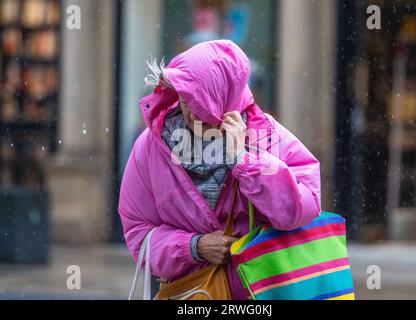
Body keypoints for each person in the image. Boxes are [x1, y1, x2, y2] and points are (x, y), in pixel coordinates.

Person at [118, 40, 321, 300]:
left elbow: (302, 209)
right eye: (183, 99)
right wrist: (193, 247)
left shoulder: (267, 138)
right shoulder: (151, 146)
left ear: (223, 97)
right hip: (191, 294)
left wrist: (243, 161)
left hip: (259, 293)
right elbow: (138, 231)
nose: (190, 113)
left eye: (198, 102)